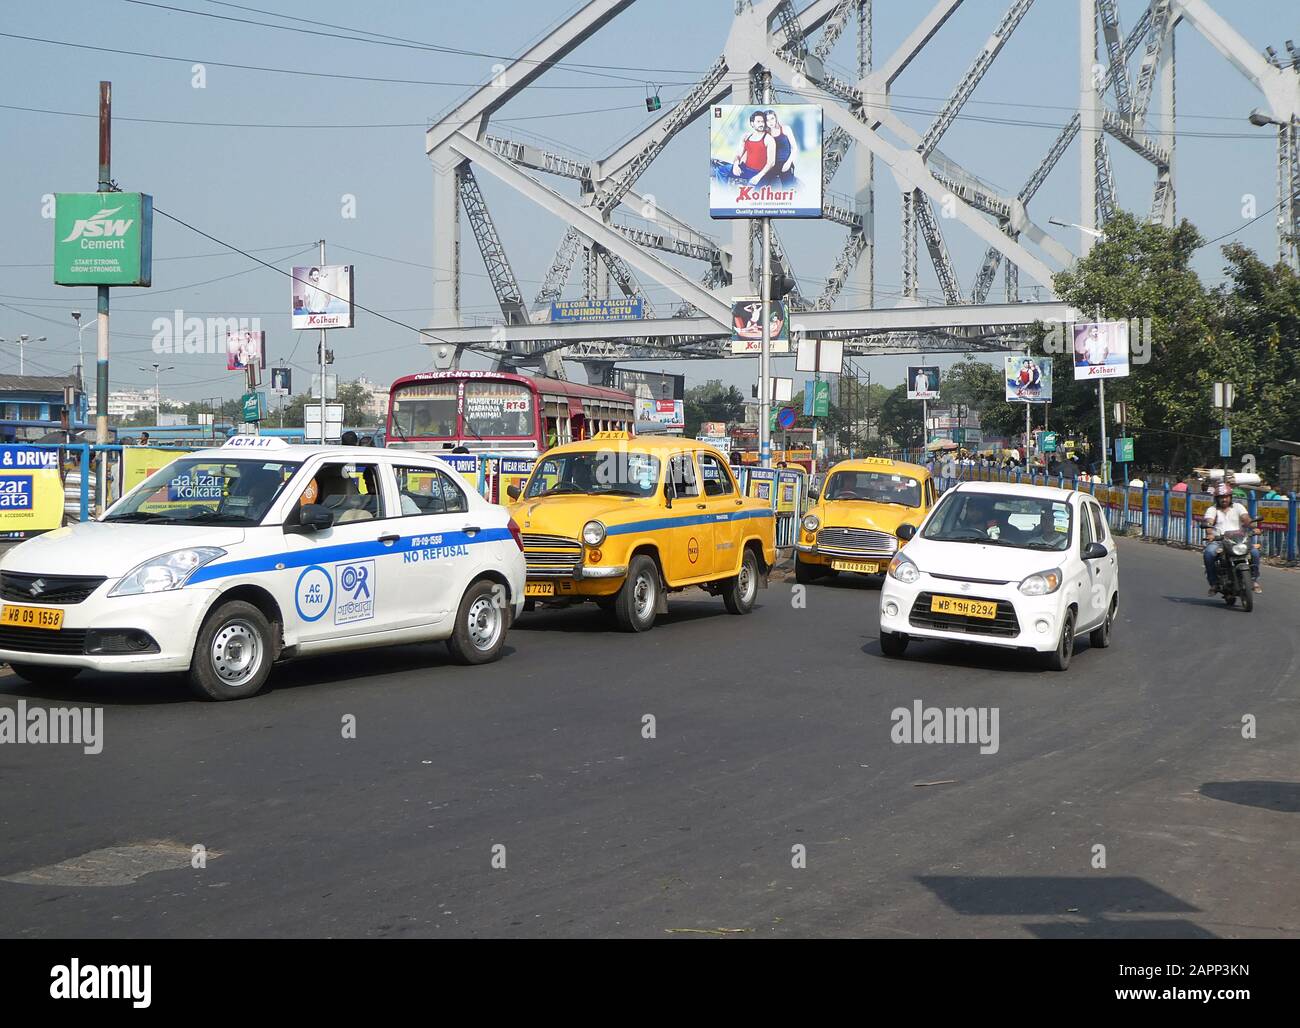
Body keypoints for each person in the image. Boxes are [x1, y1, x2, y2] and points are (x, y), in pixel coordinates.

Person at [1203, 483, 1261, 595]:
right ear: (1217, 499)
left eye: (1226, 496)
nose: (1224, 499)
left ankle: (1253, 580)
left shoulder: (1238, 507)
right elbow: (1209, 522)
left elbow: (1246, 518)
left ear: (1230, 497)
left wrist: (1254, 526)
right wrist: (1210, 533)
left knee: (1254, 553)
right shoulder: (1212, 509)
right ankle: (1214, 583)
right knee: (1209, 553)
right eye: (1221, 497)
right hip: (1219, 540)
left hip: (1239, 540)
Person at [731, 110, 775, 186]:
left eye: (763, 122)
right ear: (752, 124)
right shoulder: (746, 136)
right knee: (721, 171)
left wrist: (759, 176)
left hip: (760, 173)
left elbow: (771, 163)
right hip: (746, 169)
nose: (761, 124)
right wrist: (735, 165)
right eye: (758, 122)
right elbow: (738, 154)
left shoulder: (769, 139)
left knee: (752, 193)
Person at [762, 110, 796, 187]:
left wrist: (788, 163)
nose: (770, 122)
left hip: (785, 162)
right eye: (767, 120)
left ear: (776, 119)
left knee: (787, 188)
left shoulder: (785, 129)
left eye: (772, 118)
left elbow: (794, 148)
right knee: (760, 185)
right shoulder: (766, 134)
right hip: (772, 164)